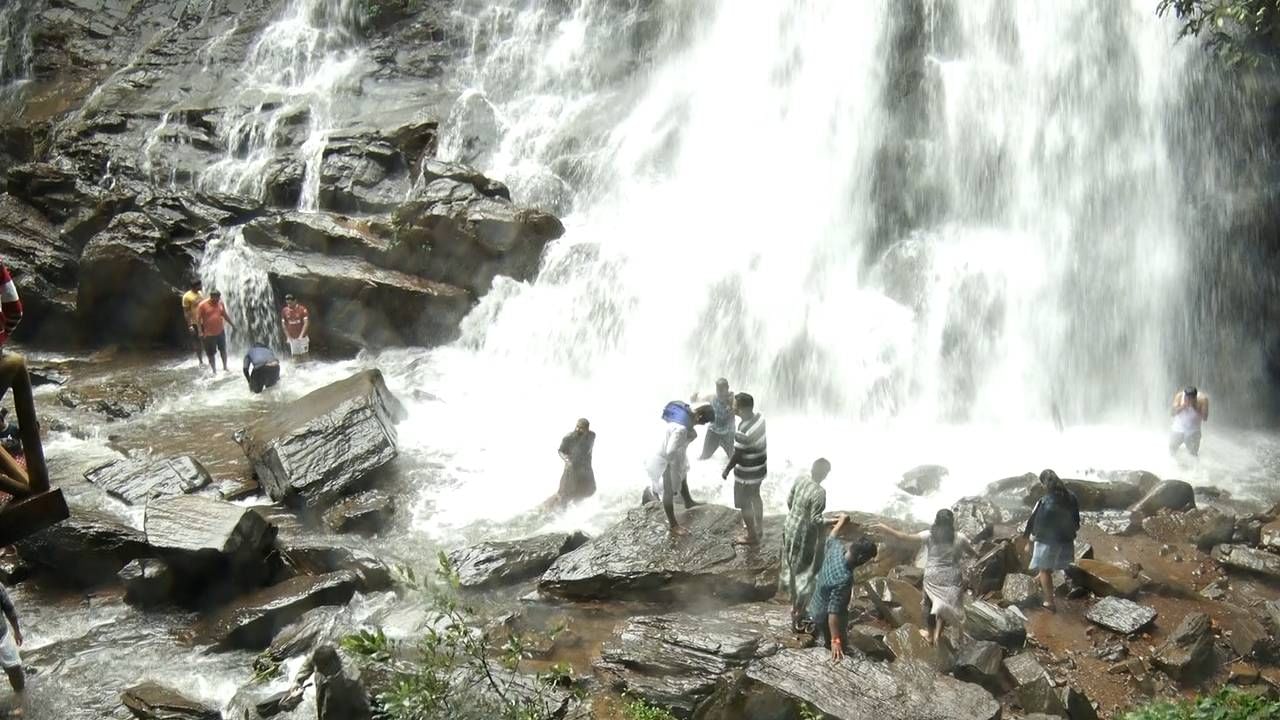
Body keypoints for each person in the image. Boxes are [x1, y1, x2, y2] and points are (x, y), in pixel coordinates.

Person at [872, 509, 975, 646]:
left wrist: (885, 528)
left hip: (933, 576)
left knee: (930, 604)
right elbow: (972, 553)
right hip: (952, 576)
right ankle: (939, 633)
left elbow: (903, 537)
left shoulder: (929, 535)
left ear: (936, 521)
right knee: (944, 603)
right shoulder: (960, 538)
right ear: (952, 523)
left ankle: (930, 635)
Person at [808, 513, 877, 660]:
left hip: (814, 602)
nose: (866, 563)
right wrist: (835, 640)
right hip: (824, 616)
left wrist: (841, 522)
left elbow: (832, 534)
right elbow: (833, 612)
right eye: (867, 560)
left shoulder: (836, 548)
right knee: (839, 645)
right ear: (861, 558)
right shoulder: (844, 578)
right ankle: (830, 646)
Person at [781, 458, 830, 632]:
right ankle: (797, 613)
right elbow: (815, 519)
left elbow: (789, 501)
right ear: (825, 474)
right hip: (802, 538)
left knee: (793, 569)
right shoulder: (819, 492)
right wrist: (833, 522)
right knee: (804, 574)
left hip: (789, 528)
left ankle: (794, 604)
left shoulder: (800, 479)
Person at [643, 402, 706, 536]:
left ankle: (688, 501)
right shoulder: (682, 428)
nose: (703, 425)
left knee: (684, 475)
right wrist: (671, 467)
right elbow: (670, 451)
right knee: (668, 490)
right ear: (699, 417)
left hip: (669, 456)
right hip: (665, 461)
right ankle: (673, 525)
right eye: (703, 422)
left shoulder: (682, 423)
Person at [1023, 469, 1081, 612]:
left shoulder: (1044, 501)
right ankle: (1039, 579)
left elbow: (1035, 524)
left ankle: (1049, 602)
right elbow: (1076, 521)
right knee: (1052, 564)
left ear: (1044, 484)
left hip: (1048, 541)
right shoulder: (1072, 497)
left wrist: (1029, 542)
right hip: (1066, 540)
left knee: (1044, 569)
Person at [722, 392, 766, 545]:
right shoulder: (760, 418)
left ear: (742, 410)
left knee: (744, 503)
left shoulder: (742, 431)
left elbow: (737, 455)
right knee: (756, 496)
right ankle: (759, 526)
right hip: (760, 469)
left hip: (747, 475)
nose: (732, 408)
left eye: (734, 406)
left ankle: (751, 535)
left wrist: (727, 469)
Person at [554, 418, 596, 505]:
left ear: (587, 429)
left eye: (581, 428)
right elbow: (561, 451)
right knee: (566, 492)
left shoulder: (592, 435)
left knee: (586, 491)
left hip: (585, 468)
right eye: (577, 427)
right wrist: (567, 460)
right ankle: (561, 509)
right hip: (572, 468)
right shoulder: (568, 438)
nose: (578, 429)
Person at [691, 377, 735, 460]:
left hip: (728, 433)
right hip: (713, 431)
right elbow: (697, 400)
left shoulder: (733, 399)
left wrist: (731, 406)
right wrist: (694, 398)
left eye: (722, 390)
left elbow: (739, 407)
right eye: (718, 390)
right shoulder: (712, 397)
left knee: (733, 459)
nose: (720, 393)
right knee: (703, 457)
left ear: (727, 388)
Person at [196, 290, 235, 374]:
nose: (218, 300)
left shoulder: (220, 303)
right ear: (211, 296)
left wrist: (232, 325)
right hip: (209, 334)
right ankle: (214, 371)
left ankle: (225, 367)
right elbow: (198, 320)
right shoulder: (202, 305)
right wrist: (200, 331)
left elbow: (224, 315)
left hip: (220, 331)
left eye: (219, 298)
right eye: (216, 298)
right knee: (211, 353)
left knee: (223, 350)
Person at [0, 583, 24, 714]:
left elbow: (9, 609)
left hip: (2, 637)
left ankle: (20, 698)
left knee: (15, 668)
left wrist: (17, 631)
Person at [1169, 386, 1209, 457]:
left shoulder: (1203, 399)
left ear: (1195, 398)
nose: (1188, 400)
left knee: (1193, 454)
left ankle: (1195, 468)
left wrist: (1194, 407)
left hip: (1193, 432)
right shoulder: (1179, 396)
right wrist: (1183, 406)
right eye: (1186, 397)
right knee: (1171, 451)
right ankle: (1173, 465)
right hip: (1177, 429)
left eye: (1191, 398)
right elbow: (1172, 413)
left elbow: (1205, 418)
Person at [181, 279, 205, 367]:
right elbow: (186, 312)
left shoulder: (201, 293)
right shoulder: (186, 297)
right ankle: (201, 361)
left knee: (207, 340)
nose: (201, 287)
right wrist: (190, 325)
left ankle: (210, 359)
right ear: (194, 287)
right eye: (199, 285)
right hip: (194, 323)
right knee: (197, 342)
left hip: (204, 321)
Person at [281, 294, 311, 361]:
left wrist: (301, 336)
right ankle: (297, 371)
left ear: (295, 301)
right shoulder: (284, 311)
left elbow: (306, 323)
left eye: (290, 303)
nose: (289, 305)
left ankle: (309, 370)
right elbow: (283, 325)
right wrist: (288, 337)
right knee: (295, 357)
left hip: (302, 338)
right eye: (287, 303)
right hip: (292, 338)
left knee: (305, 355)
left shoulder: (302, 309)